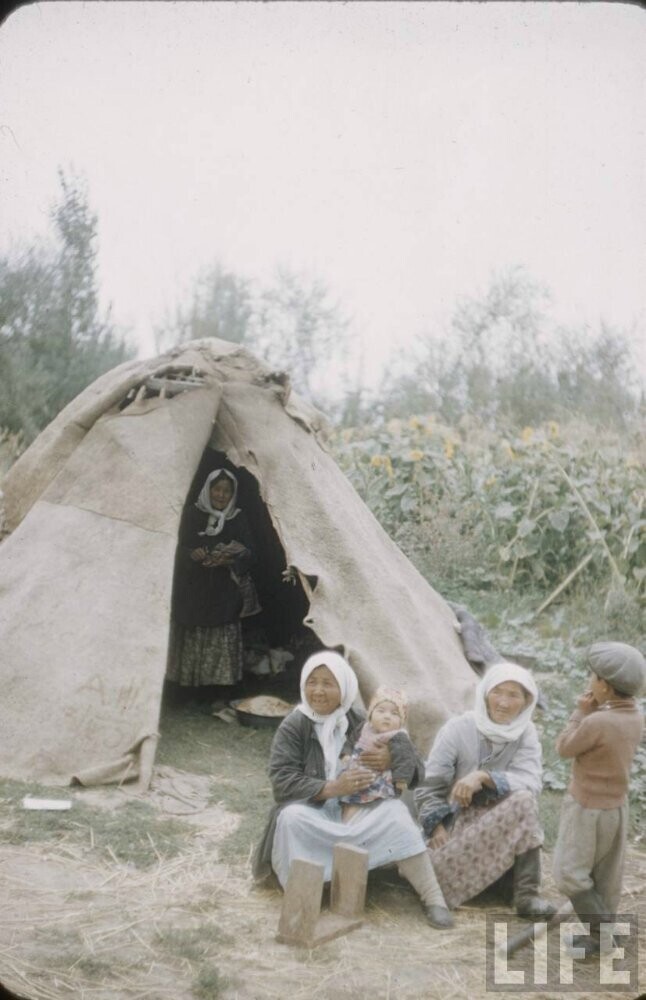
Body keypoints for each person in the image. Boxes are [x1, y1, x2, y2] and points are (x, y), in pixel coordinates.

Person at [252, 651, 454, 929]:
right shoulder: (295, 724)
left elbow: (418, 769)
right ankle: (308, 889)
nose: (318, 691)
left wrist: (391, 759)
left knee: (395, 813)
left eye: (328, 683)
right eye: (312, 682)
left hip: (358, 806)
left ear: (344, 688)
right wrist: (332, 787)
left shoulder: (362, 719)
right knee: (290, 819)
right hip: (315, 809)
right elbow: (282, 780)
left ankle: (433, 898)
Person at [415, 661, 556, 918]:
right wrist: (436, 826)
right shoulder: (458, 729)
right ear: (484, 694)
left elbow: (531, 783)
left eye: (513, 695)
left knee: (524, 800)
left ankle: (526, 896)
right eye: (497, 692)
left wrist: (484, 777)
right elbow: (428, 786)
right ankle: (499, 887)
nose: (503, 702)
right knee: (435, 872)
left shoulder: (526, 734)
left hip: (503, 829)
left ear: (526, 701)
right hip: (457, 827)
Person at [552, 641, 646, 958]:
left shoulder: (597, 722)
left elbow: (564, 748)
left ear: (604, 686)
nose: (590, 681)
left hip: (586, 807)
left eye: (593, 676)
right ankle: (600, 938)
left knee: (569, 872)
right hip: (616, 807)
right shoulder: (636, 717)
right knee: (606, 875)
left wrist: (581, 712)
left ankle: (604, 934)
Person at [166, 469, 256, 697]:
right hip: (192, 587)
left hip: (223, 589)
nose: (221, 495)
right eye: (217, 489)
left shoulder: (238, 518)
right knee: (191, 625)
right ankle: (186, 689)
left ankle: (217, 690)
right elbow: (172, 546)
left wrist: (231, 557)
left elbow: (251, 553)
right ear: (208, 489)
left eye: (227, 491)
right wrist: (190, 554)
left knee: (220, 625)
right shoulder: (191, 515)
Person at [339, 686, 412, 822]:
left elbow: (405, 758)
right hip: (355, 776)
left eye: (394, 713)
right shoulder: (364, 727)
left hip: (379, 780)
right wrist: (346, 754)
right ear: (371, 714)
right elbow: (351, 741)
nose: (387, 716)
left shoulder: (398, 736)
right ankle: (345, 832)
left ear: (401, 721)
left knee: (375, 811)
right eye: (381, 711)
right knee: (350, 806)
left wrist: (402, 778)